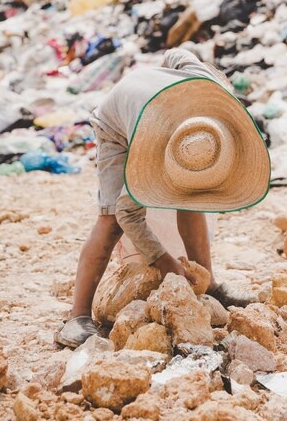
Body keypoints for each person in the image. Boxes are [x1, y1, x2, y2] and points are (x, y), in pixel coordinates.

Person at [55, 48, 271, 348]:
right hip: (116, 121)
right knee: (109, 221)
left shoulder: (212, 90)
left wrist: (163, 82)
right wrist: (163, 260)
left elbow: (175, 53)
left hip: (160, 109)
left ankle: (210, 286)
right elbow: (126, 214)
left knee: (193, 198)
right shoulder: (153, 155)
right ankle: (77, 317)